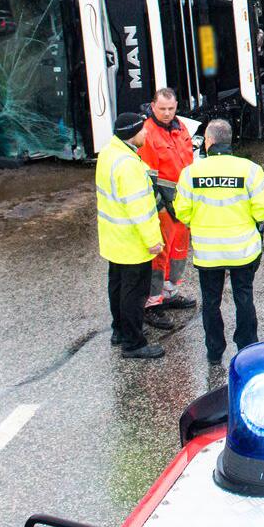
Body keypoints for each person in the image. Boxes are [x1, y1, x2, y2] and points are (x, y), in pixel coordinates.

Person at [172, 119, 264, 364]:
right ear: (229, 141)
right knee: (244, 298)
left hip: (208, 253)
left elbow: (182, 211)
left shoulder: (191, 173)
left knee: (210, 302)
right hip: (242, 250)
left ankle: (215, 351)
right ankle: (248, 347)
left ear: (208, 142)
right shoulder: (249, 169)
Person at [97, 114, 166, 359]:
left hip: (113, 239)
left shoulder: (109, 153)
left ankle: (119, 330)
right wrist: (153, 241)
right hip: (132, 242)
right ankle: (134, 343)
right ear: (132, 134)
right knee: (134, 293)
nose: (147, 133)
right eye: (143, 130)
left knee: (116, 286)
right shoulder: (128, 165)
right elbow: (140, 210)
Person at [135, 88, 196, 317]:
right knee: (159, 253)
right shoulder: (148, 133)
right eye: (162, 109)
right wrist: (161, 204)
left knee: (179, 249)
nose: (167, 113)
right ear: (153, 106)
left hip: (181, 203)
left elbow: (189, 162)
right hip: (163, 205)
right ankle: (153, 301)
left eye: (171, 108)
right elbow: (148, 176)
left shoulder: (181, 128)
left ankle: (170, 292)